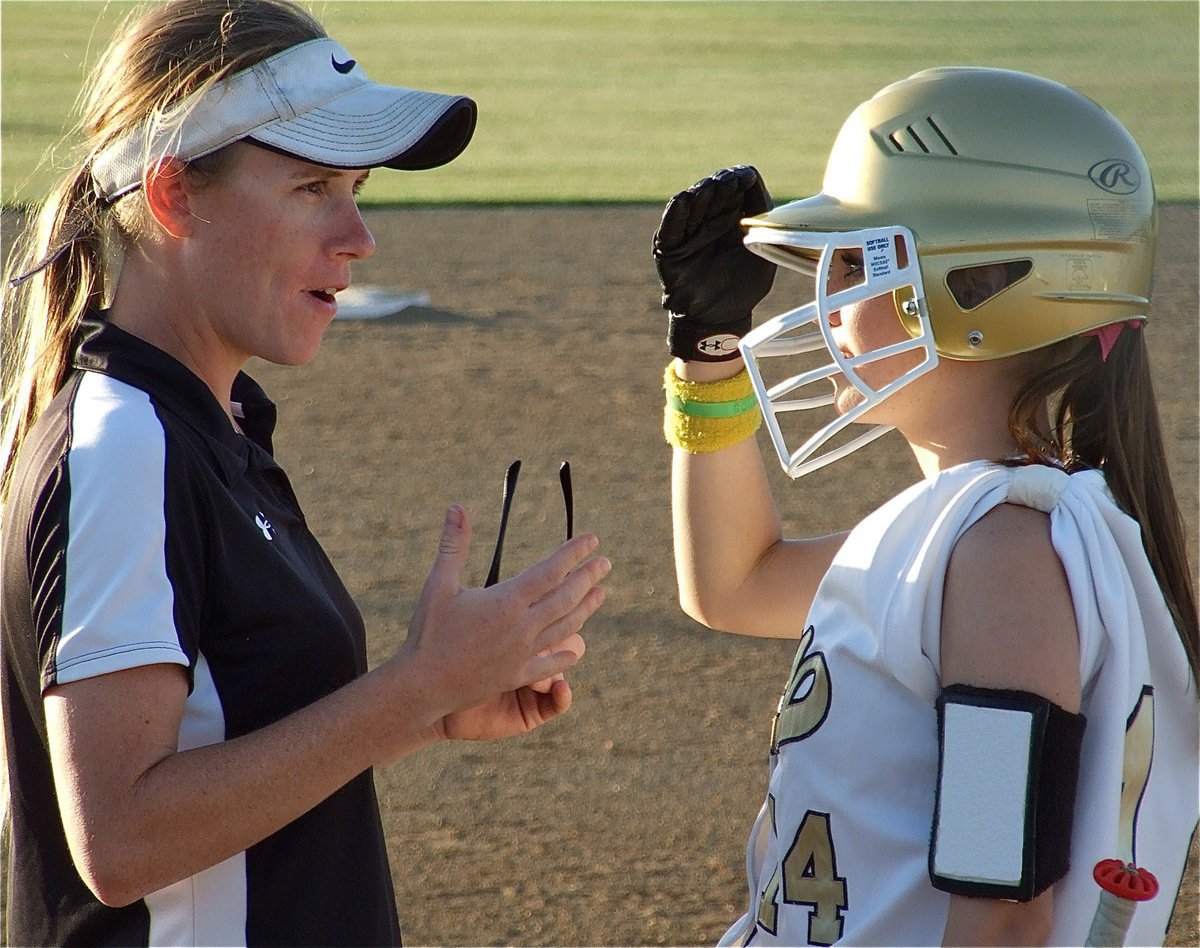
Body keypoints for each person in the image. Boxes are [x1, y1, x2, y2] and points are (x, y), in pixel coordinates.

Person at [0, 1, 609, 945]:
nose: (359, 234)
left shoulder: (208, 428)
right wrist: (412, 687)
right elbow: (120, 838)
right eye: (312, 186)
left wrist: (435, 706)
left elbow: (227, 740)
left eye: (357, 185)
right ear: (173, 196)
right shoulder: (124, 446)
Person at [654, 67, 1197, 946]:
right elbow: (732, 584)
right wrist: (707, 354)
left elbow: (1003, 912)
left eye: (857, 261)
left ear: (981, 284)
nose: (824, 302)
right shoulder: (962, 531)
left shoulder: (1007, 559)